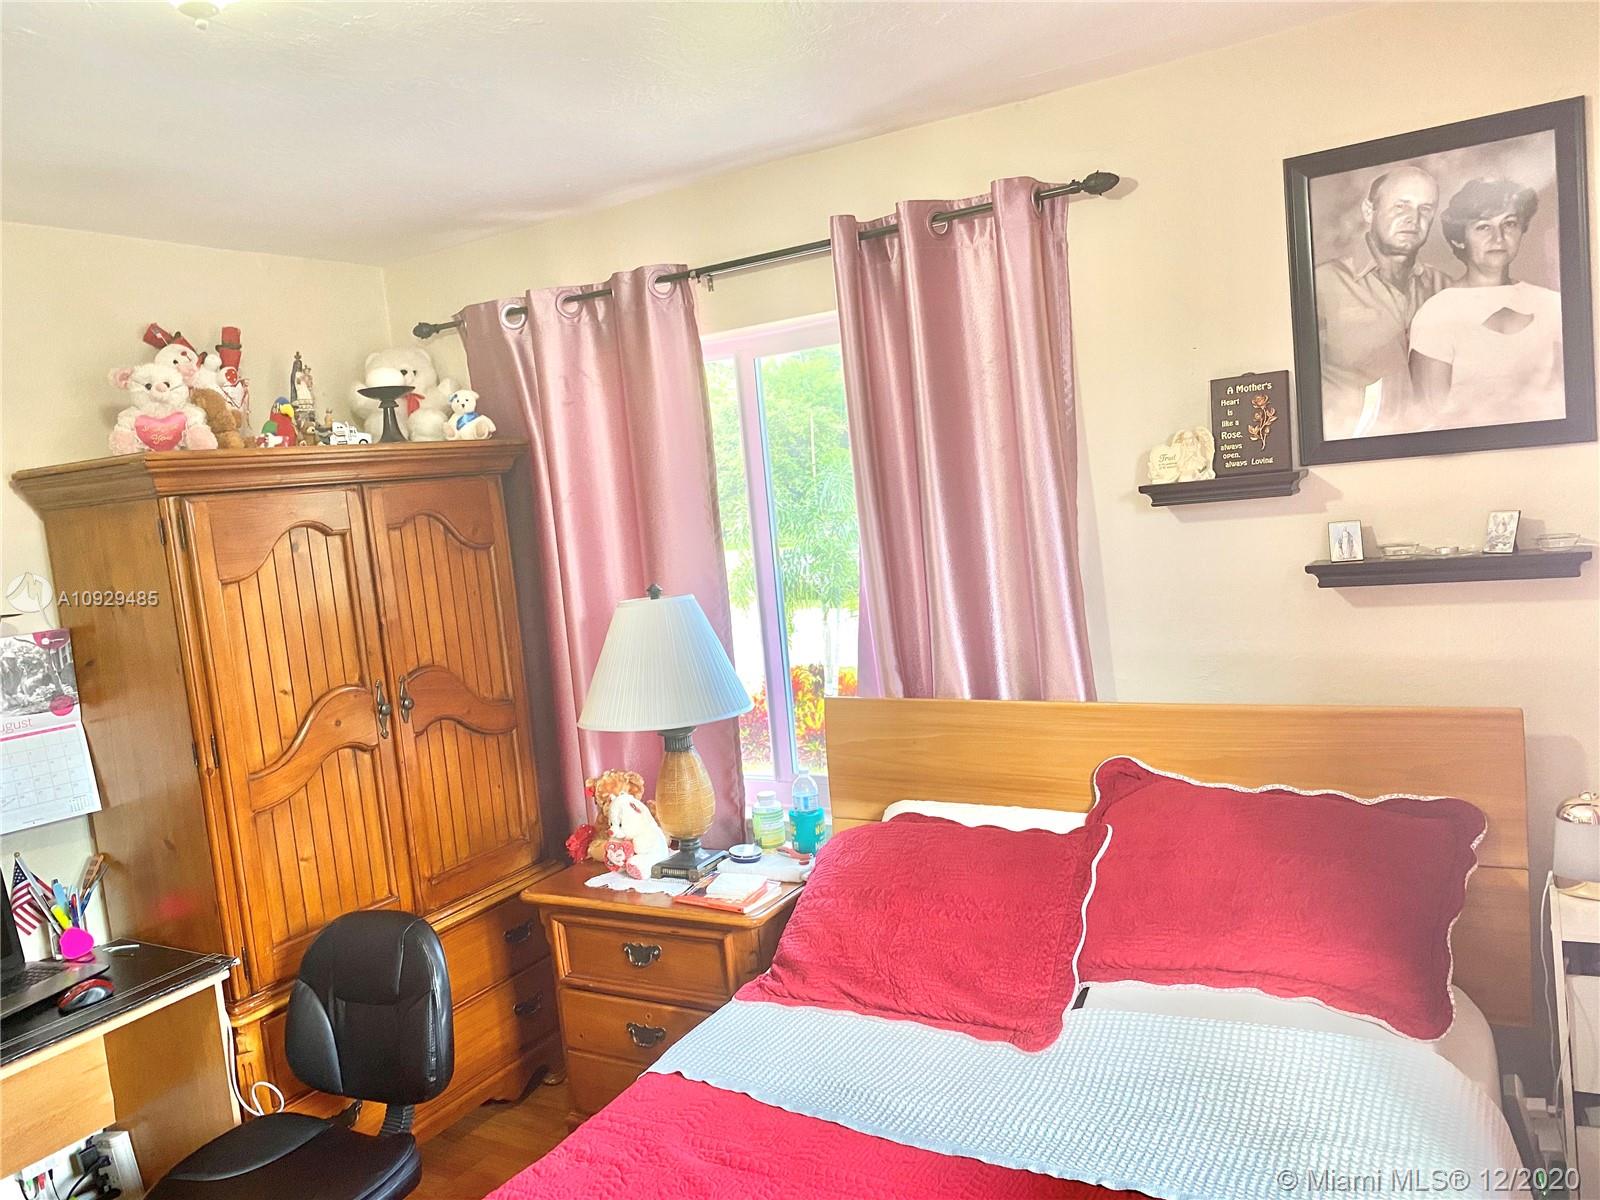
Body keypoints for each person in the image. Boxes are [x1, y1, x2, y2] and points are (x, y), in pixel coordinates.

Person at [1408, 177, 1563, 431]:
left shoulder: (1552, 304)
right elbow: (1429, 419)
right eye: (1483, 227)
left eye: (1509, 224)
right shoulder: (1436, 314)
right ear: (1459, 239)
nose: (1498, 238)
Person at [1314, 165, 1451, 439]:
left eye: (1425, 209)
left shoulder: (1446, 290)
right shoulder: (1323, 285)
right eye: (1401, 206)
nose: (1413, 219)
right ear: (1369, 211)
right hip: (1351, 454)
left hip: (1436, 451)